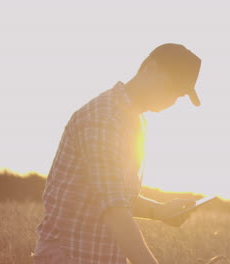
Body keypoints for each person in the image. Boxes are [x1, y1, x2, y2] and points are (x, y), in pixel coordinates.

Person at [33, 43, 202, 264]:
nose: (171, 100)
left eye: (178, 95)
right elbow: (114, 208)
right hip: (71, 256)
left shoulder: (135, 120)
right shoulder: (104, 118)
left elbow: (109, 195)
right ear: (149, 69)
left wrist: (159, 211)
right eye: (170, 87)